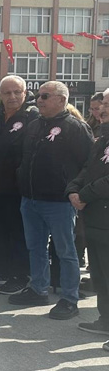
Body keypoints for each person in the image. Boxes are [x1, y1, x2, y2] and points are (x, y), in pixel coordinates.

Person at [13, 80, 94, 319]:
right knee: (35, 247)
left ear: (61, 99)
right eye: (39, 96)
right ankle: (38, 289)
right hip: (30, 199)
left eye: (45, 96)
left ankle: (70, 298)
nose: (39, 100)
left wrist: (76, 190)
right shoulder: (35, 124)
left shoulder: (75, 128)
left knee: (65, 251)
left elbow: (87, 164)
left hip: (58, 202)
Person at [0, 76, 38, 291]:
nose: (12, 96)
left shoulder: (32, 118)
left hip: (17, 188)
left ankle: (20, 275)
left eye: (17, 92)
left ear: (24, 93)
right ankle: (2, 270)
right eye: (7, 93)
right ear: (0, 95)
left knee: (17, 232)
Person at [66, 90, 109, 334]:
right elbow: (88, 169)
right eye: (101, 104)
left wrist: (85, 194)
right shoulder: (101, 138)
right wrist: (73, 189)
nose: (102, 109)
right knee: (101, 276)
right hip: (95, 220)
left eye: (107, 105)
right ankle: (105, 320)